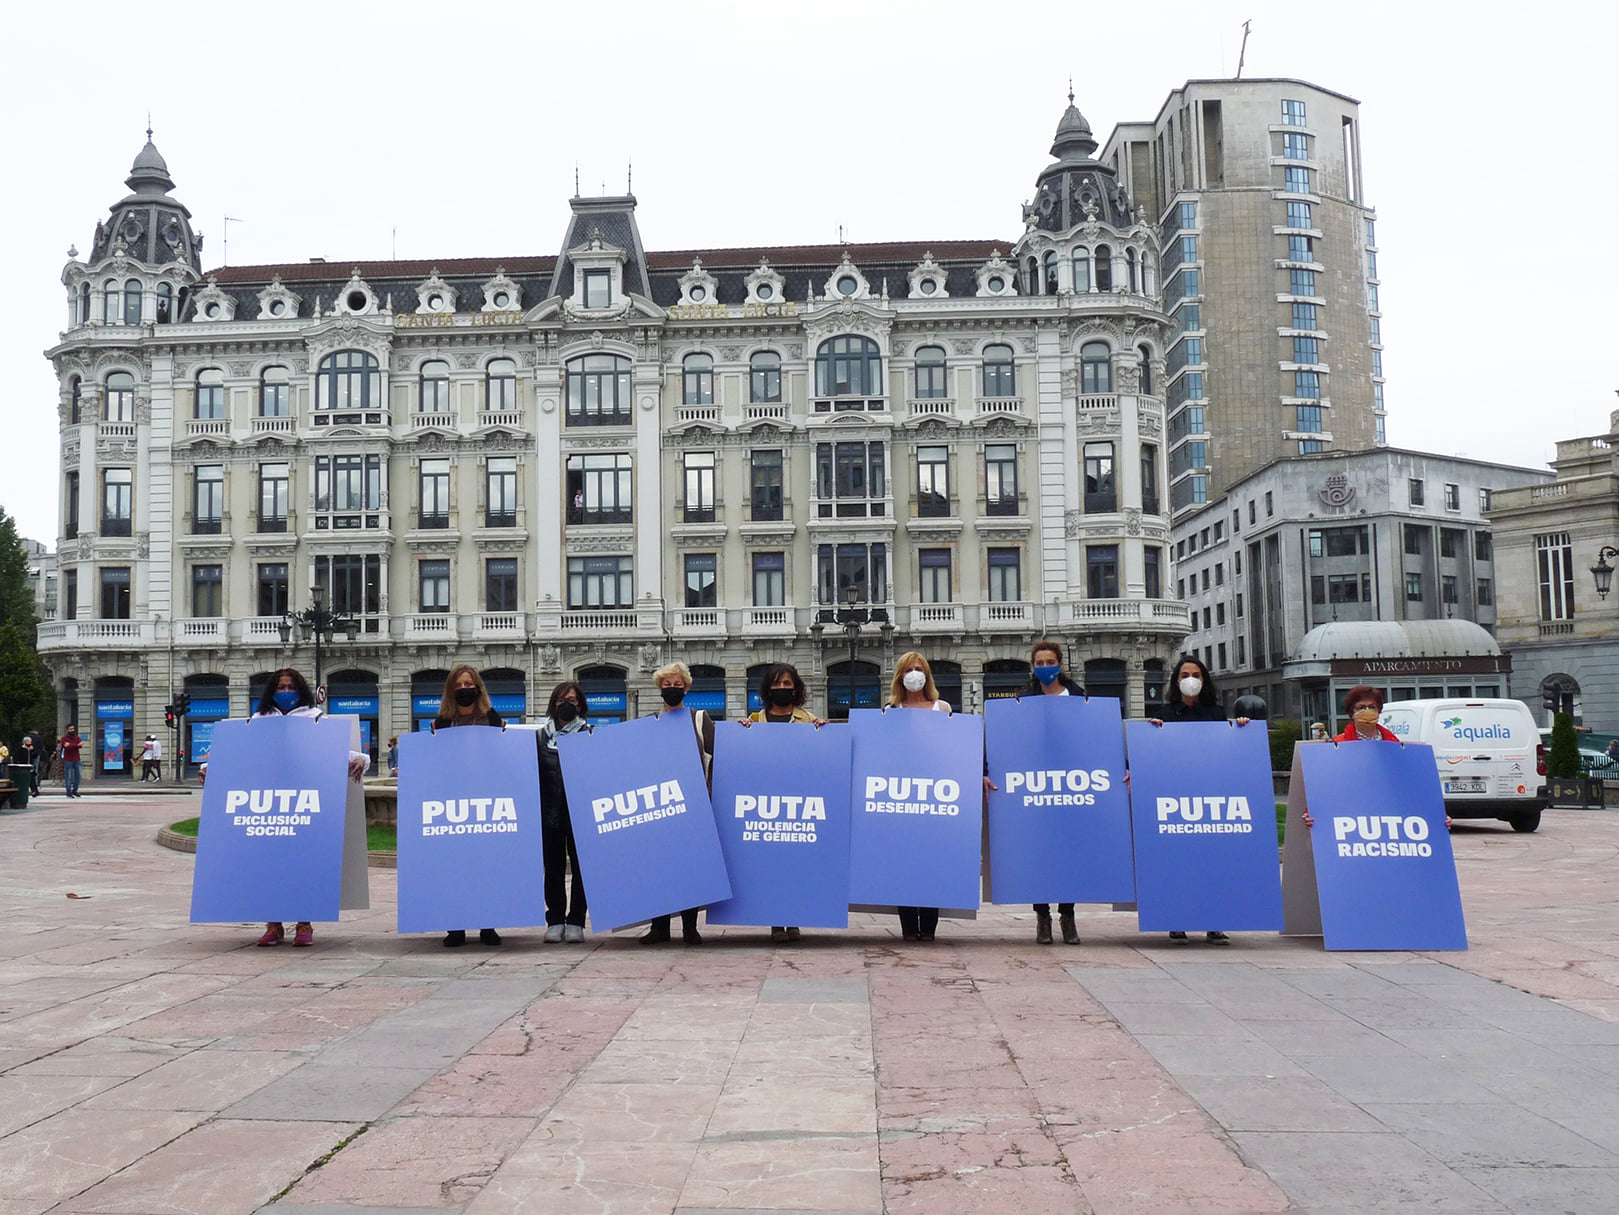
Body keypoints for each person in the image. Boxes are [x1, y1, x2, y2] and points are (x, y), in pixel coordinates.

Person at [199, 668, 370, 947]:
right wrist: (210, 769)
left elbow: (337, 751)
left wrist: (362, 759)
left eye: (291, 687)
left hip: (303, 802)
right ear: (272, 690)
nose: (286, 692)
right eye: (281, 687)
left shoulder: (314, 719)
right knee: (268, 862)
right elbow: (238, 754)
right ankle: (273, 924)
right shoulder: (258, 720)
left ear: (300, 690)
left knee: (303, 862)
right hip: (269, 802)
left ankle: (305, 923)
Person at [1147, 654, 1252, 946]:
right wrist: (1151, 734)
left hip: (1210, 798)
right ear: (1176, 680)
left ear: (1204, 680)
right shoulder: (1164, 714)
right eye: (1184, 675)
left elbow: (1228, 750)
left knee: (1213, 862)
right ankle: (1177, 922)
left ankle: (1214, 922)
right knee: (1178, 864)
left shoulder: (1216, 713)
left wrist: (1242, 728)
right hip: (1177, 800)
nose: (1189, 679)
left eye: (1195, 674)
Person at [743, 663, 826, 943]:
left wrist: (823, 732)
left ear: (796, 688)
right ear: (768, 689)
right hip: (765, 804)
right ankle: (776, 922)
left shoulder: (808, 720)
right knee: (771, 866)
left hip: (798, 804)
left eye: (787, 684)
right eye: (777, 685)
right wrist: (742, 732)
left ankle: (793, 920)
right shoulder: (754, 720)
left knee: (795, 865)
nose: (782, 689)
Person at [1018, 640, 1087, 946]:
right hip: (1034, 786)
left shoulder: (1079, 697)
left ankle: (1068, 914)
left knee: (1071, 852)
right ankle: (1042, 915)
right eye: (1040, 664)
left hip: (1071, 785)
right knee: (1039, 851)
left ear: (1060, 664)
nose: (1045, 668)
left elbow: (1096, 738)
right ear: (1033, 668)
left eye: (1050, 662)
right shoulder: (1023, 700)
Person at [433, 665, 505, 949]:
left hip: (487, 802)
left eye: (469, 683)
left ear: (478, 687)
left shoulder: (491, 719)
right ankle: (455, 925)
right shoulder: (441, 723)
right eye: (459, 684)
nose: (465, 689)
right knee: (454, 866)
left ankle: (488, 924)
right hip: (452, 803)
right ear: (451, 689)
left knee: (487, 865)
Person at [641, 662, 714, 945]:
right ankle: (659, 927)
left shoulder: (699, 719)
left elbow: (716, 756)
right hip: (659, 806)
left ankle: (689, 928)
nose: (672, 689)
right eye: (667, 685)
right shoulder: (650, 722)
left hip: (694, 807)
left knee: (689, 868)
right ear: (660, 688)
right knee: (658, 868)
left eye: (677, 684)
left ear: (686, 687)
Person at [889, 652, 951, 943]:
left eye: (919, 669)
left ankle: (928, 927)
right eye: (908, 670)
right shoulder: (891, 710)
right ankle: (907, 927)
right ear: (900, 676)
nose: (914, 674)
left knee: (932, 862)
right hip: (901, 797)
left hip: (936, 797)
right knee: (902, 863)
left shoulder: (943, 708)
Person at [539, 681, 592, 943]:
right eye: (560, 700)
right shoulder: (540, 737)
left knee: (583, 869)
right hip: (549, 812)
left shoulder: (590, 734)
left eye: (571, 700)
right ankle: (556, 919)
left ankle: (576, 921)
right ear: (553, 704)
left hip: (581, 814)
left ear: (580, 704)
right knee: (553, 867)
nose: (565, 705)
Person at [1334, 686, 1398, 742]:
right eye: (1361, 708)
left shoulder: (1392, 741)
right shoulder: (1339, 743)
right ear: (1352, 712)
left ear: (1379, 710)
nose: (1367, 711)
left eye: (1372, 707)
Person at [57, 727, 83, 798]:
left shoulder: (77, 737)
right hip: (68, 759)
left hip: (77, 759)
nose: (72, 730)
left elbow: (80, 745)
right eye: (70, 729)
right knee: (68, 776)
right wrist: (76, 745)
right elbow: (66, 746)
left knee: (78, 775)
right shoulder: (64, 738)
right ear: (67, 730)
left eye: (73, 729)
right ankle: (68, 792)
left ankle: (75, 790)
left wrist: (71, 745)